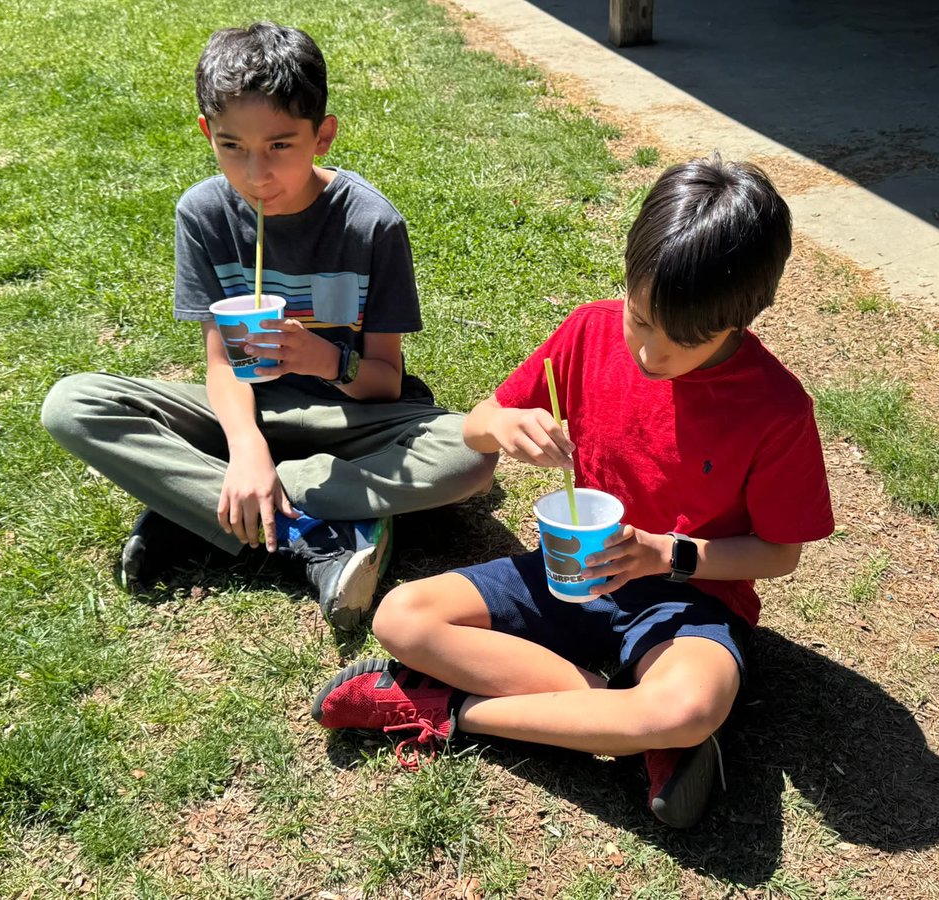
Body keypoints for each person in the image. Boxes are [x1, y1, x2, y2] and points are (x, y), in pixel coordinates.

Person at [312, 154, 835, 827]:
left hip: (691, 601)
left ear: (743, 317)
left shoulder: (775, 408)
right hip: (571, 573)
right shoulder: (590, 330)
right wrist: (502, 425)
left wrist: (666, 553)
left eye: (684, 341)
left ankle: (454, 713)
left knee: (687, 707)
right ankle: (631, 729)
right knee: (400, 618)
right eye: (641, 319)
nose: (650, 355)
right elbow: (476, 425)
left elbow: (777, 553)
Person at [41, 22, 496, 628]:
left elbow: (386, 381)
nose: (257, 175)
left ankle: (202, 508)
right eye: (232, 147)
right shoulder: (203, 214)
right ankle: (308, 528)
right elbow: (221, 365)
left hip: (352, 418)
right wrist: (247, 446)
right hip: (245, 414)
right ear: (207, 133)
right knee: (73, 405)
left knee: (471, 456)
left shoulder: (370, 224)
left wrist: (323, 358)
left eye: (281, 146)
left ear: (323, 136)